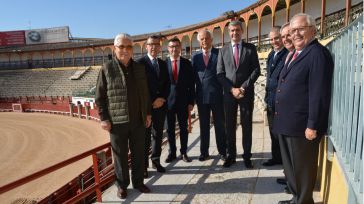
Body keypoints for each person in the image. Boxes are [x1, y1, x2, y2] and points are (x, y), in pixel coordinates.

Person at [273, 13, 334, 204]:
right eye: (292, 31)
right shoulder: (297, 52)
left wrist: (312, 124)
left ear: (313, 30)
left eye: (300, 29)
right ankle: (296, 198)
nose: (295, 34)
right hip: (288, 122)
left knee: (303, 168)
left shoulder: (316, 54)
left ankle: (304, 201)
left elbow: (319, 93)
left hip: (302, 126)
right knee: (292, 167)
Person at [95, 33, 152, 199]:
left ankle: (139, 182)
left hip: (138, 120)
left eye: (128, 47)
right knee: (119, 156)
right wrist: (104, 117)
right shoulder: (107, 68)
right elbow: (100, 96)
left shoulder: (140, 68)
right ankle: (122, 185)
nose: (125, 50)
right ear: (115, 48)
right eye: (121, 47)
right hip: (117, 121)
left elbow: (145, 94)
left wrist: (147, 113)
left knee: (139, 153)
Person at [217, 20, 261, 168]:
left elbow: (256, 70)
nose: (234, 33)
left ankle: (247, 156)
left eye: (237, 30)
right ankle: (231, 155)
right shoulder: (223, 51)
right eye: (232, 31)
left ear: (242, 31)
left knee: (246, 125)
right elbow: (220, 74)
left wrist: (242, 88)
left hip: (246, 94)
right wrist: (232, 89)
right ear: (229, 33)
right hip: (229, 95)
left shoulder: (250, 48)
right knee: (229, 126)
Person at [137, 35, 170, 178]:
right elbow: (139, 87)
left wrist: (162, 98)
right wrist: (151, 102)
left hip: (161, 106)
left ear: (160, 47)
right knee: (144, 137)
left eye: (156, 44)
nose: (154, 47)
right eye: (151, 44)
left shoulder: (163, 64)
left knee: (157, 136)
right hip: (146, 108)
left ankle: (155, 160)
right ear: (146, 46)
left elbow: (168, 84)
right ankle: (143, 166)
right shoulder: (140, 63)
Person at [191, 30, 226, 162]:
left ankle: (223, 151)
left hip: (217, 96)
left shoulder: (219, 53)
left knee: (220, 126)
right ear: (199, 41)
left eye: (206, 38)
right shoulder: (195, 57)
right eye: (202, 39)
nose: (204, 41)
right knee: (203, 126)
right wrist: (193, 98)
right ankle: (204, 152)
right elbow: (193, 79)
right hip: (202, 97)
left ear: (211, 40)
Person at [165, 37, 195, 163]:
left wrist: (191, 102)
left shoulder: (187, 63)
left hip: (183, 102)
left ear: (180, 48)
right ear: (168, 49)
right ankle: (172, 153)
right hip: (168, 103)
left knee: (184, 129)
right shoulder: (163, 64)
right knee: (170, 129)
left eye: (177, 46)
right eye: (172, 46)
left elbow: (191, 84)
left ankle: (184, 152)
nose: (174, 49)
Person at [262, 26, 288, 167]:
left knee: (281, 133)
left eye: (276, 38)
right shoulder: (272, 54)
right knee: (273, 132)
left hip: (281, 100)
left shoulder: (287, 54)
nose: (274, 41)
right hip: (271, 99)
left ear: (282, 38)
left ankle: (285, 161)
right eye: (271, 39)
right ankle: (276, 157)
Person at [275, 22, 296, 191]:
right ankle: (289, 180)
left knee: (294, 155)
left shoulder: (299, 54)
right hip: (284, 112)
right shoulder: (290, 54)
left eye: (288, 35)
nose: (285, 39)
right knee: (288, 154)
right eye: (283, 36)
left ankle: (295, 189)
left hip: (295, 115)